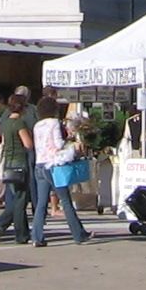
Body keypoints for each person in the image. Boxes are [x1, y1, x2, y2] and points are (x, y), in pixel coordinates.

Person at [30, 95, 89, 246]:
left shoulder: (37, 125)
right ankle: (78, 233)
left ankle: (37, 236)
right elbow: (57, 144)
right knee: (65, 200)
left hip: (40, 164)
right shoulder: (54, 123)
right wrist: (68, 141)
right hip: (53, 165)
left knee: (41, 203)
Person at [0, 92, 34, 243]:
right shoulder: (19, 123)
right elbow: (28, 144)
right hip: (20, 162)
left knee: (17, 198)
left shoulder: (5, 123)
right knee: (20, 200)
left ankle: (23, 234)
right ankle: (0, 225)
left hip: (8, 163)